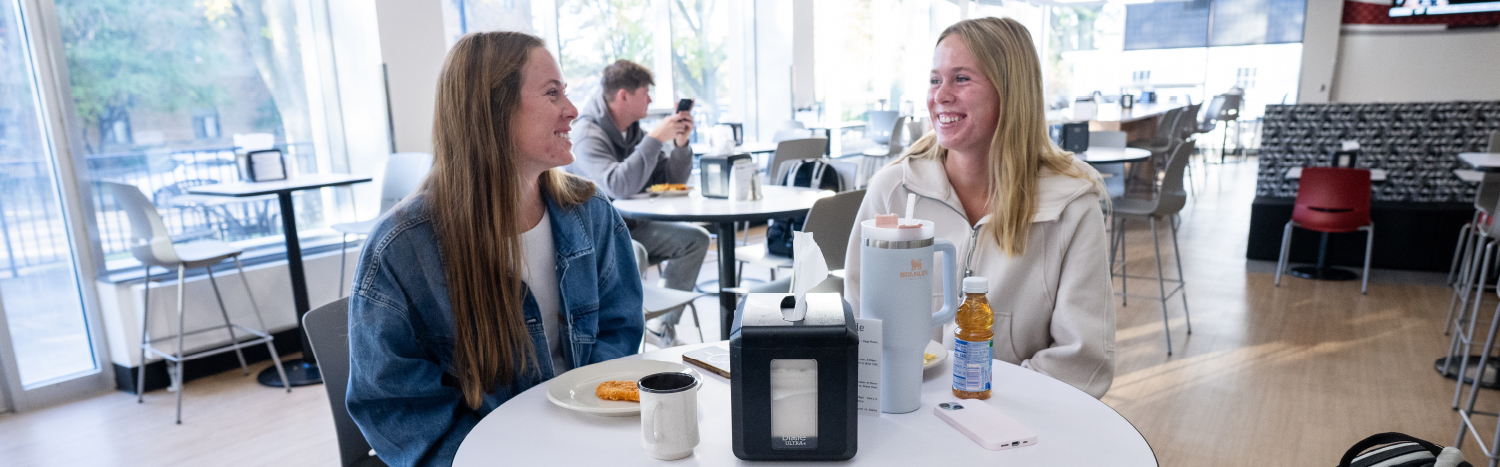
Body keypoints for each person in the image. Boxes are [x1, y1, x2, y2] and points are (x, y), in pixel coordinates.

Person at [346, 32, 644, 466]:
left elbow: (619, 329)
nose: (573, 110)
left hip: (587, 443)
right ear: (491, 111)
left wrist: (588, 426)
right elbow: (395, 407)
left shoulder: (591, 213)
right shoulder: (402, 249)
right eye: (551, 93)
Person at [843, 17, 1116, 398]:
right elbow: (857, 324)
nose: (940, 96)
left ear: (1011, 92)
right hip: (905, 413)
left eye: (962, 79)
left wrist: (980, 398)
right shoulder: (892, 190)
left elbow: (1083, 360)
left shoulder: (1070, 206)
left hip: (1018, 429)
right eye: (935, 79)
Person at [566, 59, 709, 346]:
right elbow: (617, 186)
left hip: (631, 225)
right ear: (624, 96)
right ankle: (628, 342)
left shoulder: (633, 132)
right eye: (646, 92)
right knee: (635, 252)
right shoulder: (586, 134)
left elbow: (670, 178)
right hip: (596, 235)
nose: (651, 99)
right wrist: (655, 139)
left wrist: (680, 144)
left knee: (696, 239)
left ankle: (660, 328)